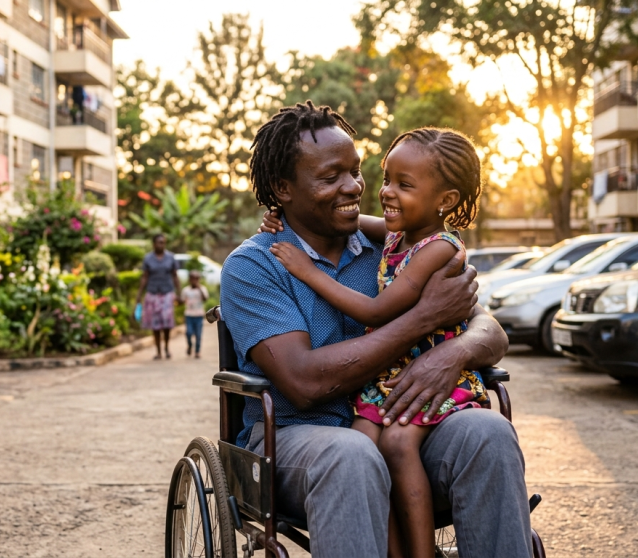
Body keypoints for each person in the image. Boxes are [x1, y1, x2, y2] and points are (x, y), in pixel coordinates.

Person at [220, 101, 532, 558]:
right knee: (351, 455)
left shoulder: (396, 245)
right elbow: (306, 382)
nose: (355, 188)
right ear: (282, 189)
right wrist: (423, 320)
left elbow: (488, 328)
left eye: (357, 171)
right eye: (331, 178)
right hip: (298, 436)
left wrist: (455, 352)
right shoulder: (255, 265)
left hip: (401, 423)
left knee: (488, 433)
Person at [264, 127, 488, 558]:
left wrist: (309, 272)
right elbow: (302, 381)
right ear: (284, 189)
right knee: (361, 447)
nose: (378, 192)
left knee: (408, 443)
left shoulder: (437, 250)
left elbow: (377, 312)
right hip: (367, 395)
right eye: (387, 180)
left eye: (402, 185)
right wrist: (285, 225)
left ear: (445, 200)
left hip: (415, 379)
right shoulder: (391, 238)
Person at [137, 233, 180, 359]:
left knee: (167, 323)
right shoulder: (148, 259)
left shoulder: (171, 257)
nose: (161, 245)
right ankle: (158, 351)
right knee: (155, 325)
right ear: (154, 244)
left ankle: (166, 347)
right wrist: (139, 295)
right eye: (159, 242)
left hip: (167, 293)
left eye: (163, 242)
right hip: (153, 293)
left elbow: (175, 276)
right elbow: (144, 277)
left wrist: (179, 292)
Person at [181, 270, 209, 359]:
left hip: (199, 315)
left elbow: (205, 298)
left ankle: (197, 351)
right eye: (193, 278)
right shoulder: (186, 290)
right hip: (189, 315)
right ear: (189, 279)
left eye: (196, 278)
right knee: (188, 332)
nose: (194, 280)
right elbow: (182, 300)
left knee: (198, 334)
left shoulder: (202, 289)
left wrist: (199, 288)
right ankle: (189, 345)